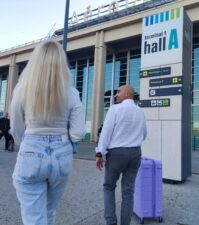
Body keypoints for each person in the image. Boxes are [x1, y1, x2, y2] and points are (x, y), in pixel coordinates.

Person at [10, 39, 86, 225]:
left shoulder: (22, 89)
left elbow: (16, 128)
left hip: (31, 150)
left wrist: (28, 142)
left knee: (34, 218)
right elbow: (78, 133)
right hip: (62, 156)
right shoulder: (71, 92)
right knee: (49, 212)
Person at [95, 85, 147, 225]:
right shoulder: (140, 111)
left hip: (117, 154)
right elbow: (144, 134)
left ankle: (111, 222)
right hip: (135, 153)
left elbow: (106, 133)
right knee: (128, 192)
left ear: (128, 94)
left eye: (118, 91)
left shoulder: (115, 109)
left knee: (109, 187)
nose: (116, 94)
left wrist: (99, 152)